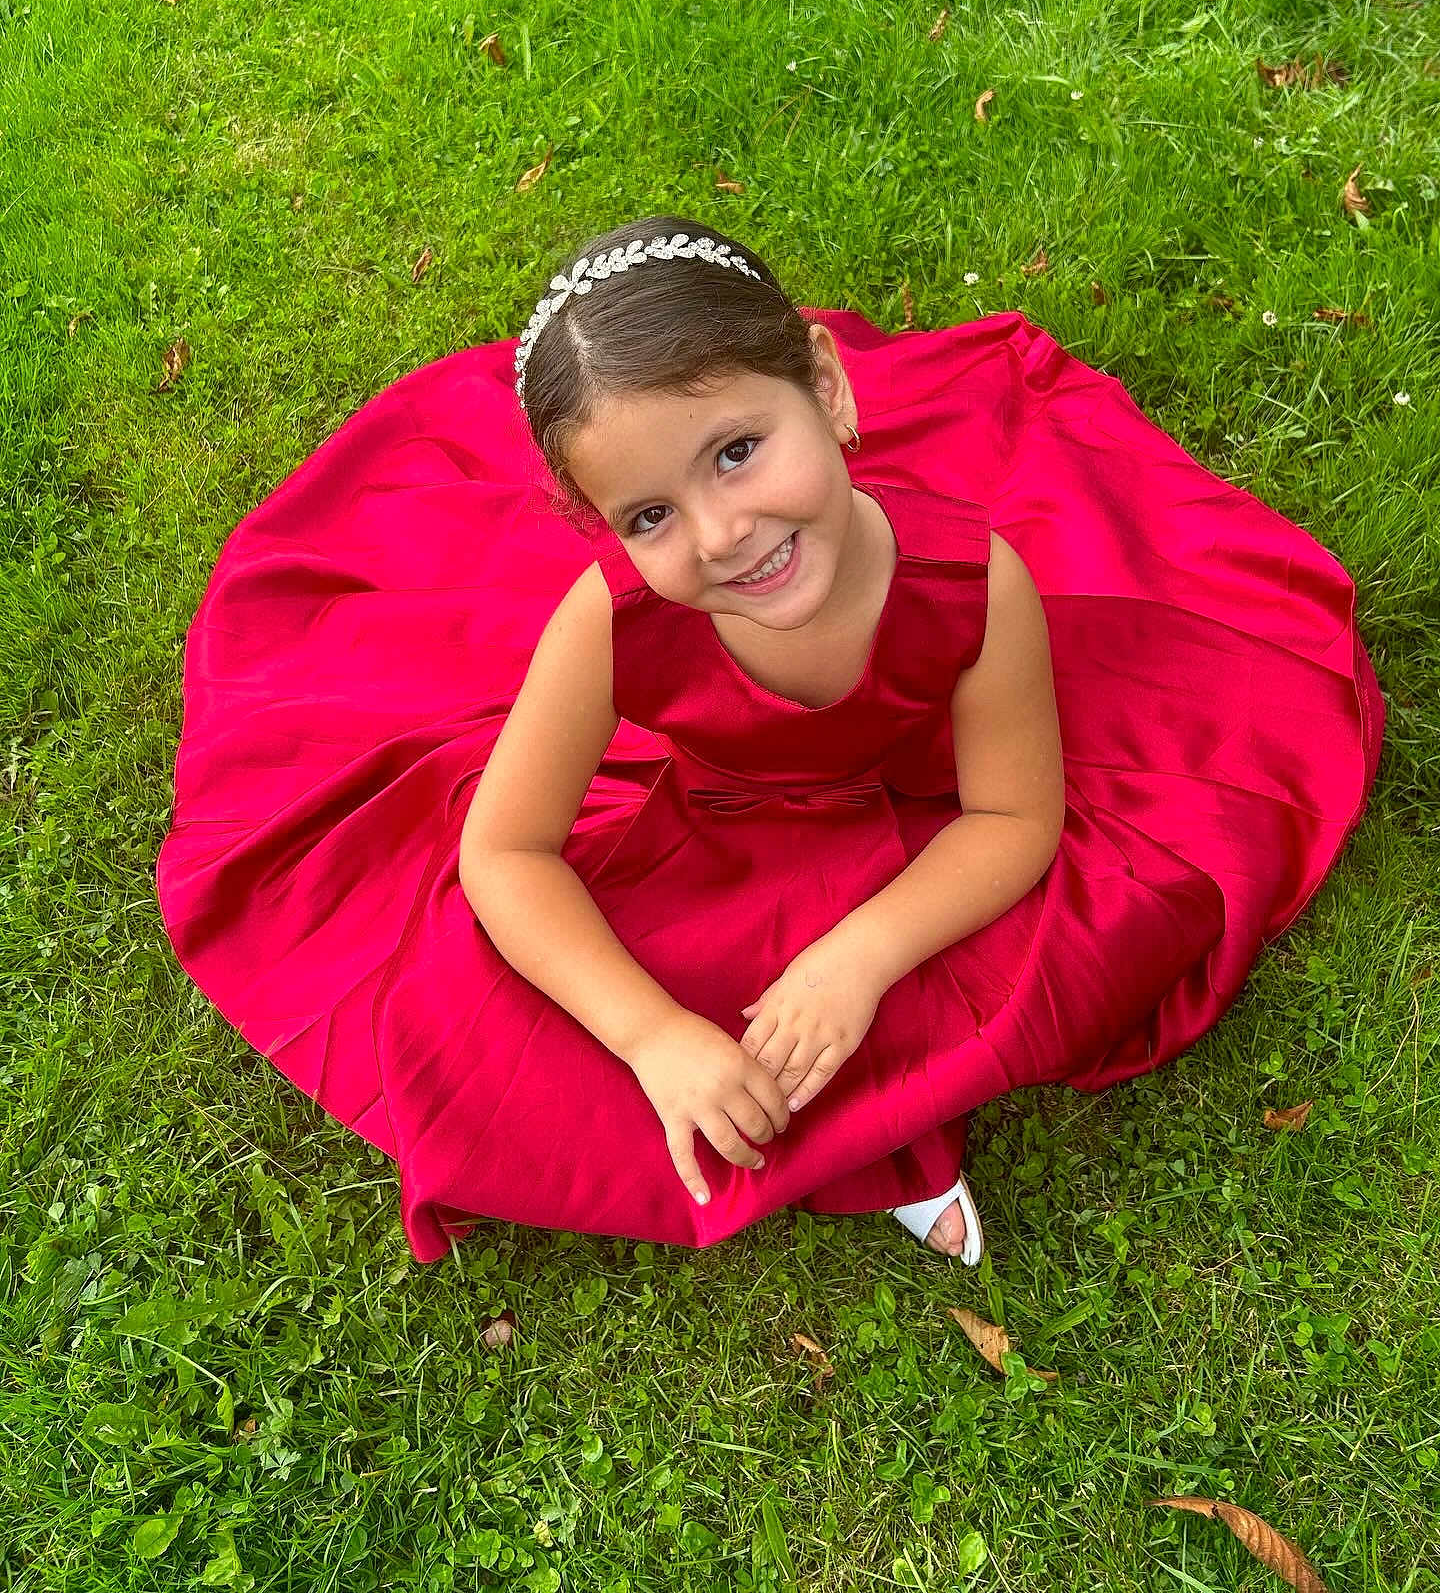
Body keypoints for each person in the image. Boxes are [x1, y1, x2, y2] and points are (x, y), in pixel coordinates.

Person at [155, 215, 1385, 1267]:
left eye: (738, 452)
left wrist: (860, 958)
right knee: (517, 1020)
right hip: (714, 837)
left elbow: (1016, 820)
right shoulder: (614, 618)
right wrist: (653, 1036)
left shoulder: (970, 581)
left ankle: (876, 1114)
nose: (724, 533)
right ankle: (817, 1110)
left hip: (920, 834)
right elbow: (507, 854)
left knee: (1067, 938)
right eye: (652, 513)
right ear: (604, 529)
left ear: (831, 389)